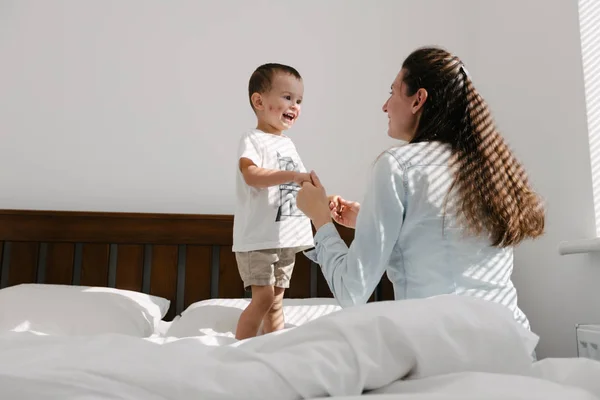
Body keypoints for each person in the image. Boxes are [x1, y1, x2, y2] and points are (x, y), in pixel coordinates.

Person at [296, 47, 545, 331]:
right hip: (515, 345)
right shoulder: (490, 168)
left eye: (392, 92)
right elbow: (441, 239)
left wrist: (320, 219)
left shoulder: (398, 166)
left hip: (446, 348)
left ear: (418, 100)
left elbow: (352, 292)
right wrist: (367, 219)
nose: (385, 106)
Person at [233, 63, 315, 340]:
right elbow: (251, 175)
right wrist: (292, 175)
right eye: (288, 97)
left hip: (285, 238)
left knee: (276, 301)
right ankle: (239, 348)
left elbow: (298, 190)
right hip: (260, 238)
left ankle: (273, 348)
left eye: (299, 100)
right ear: (259, 101)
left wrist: (324, 199)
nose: (295, 105)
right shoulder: (253, 139)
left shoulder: (288, 145)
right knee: (264, 298)